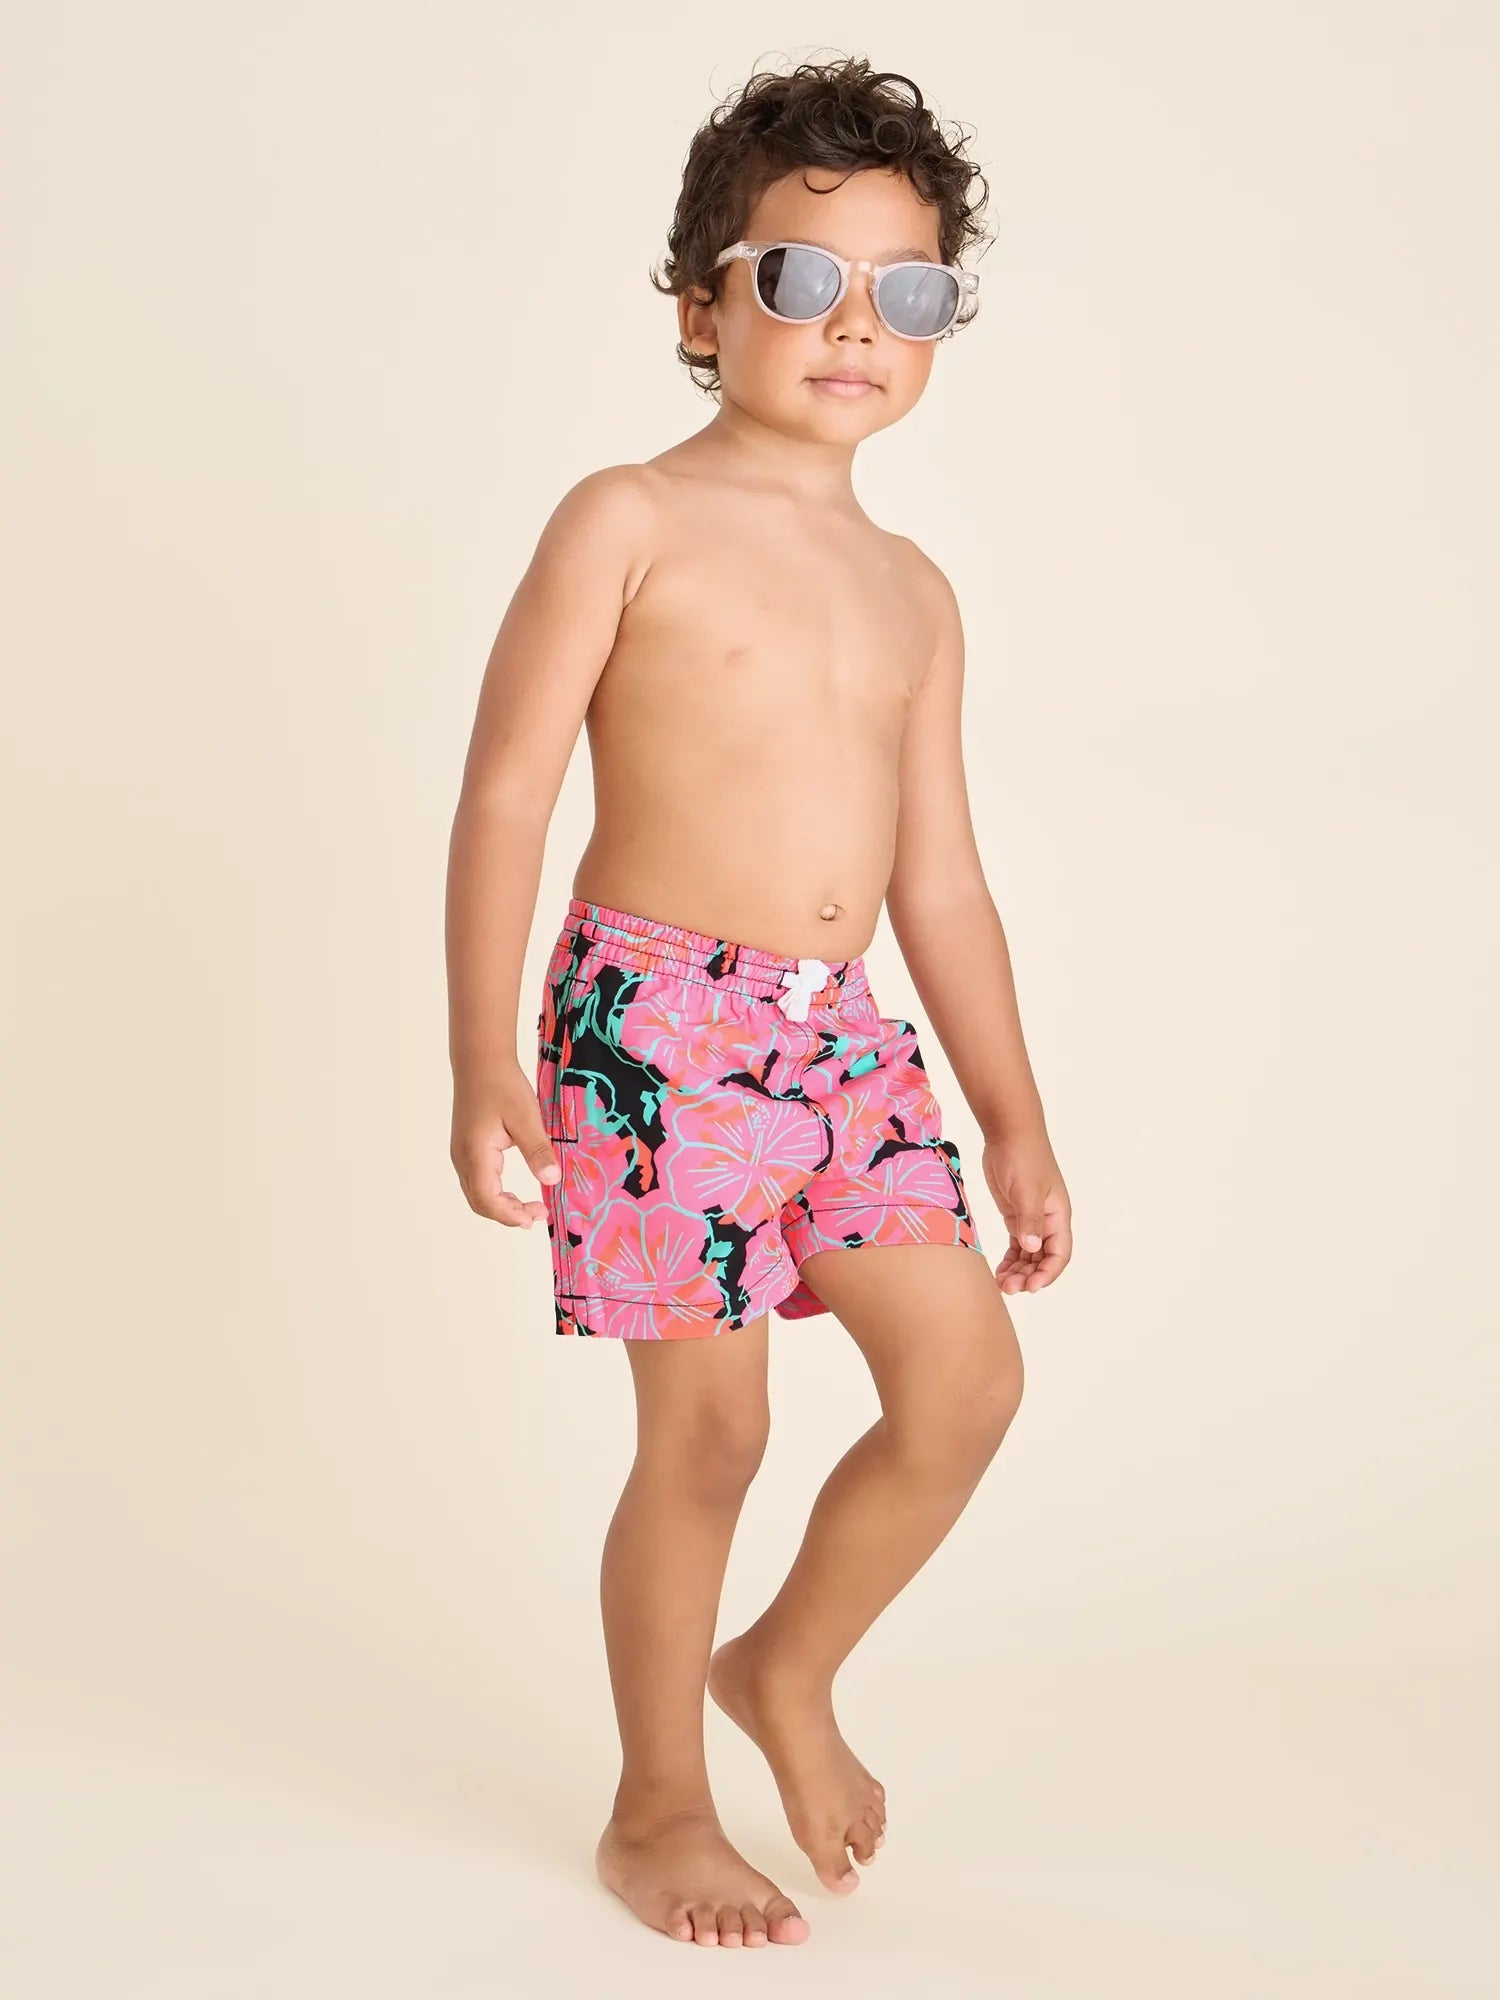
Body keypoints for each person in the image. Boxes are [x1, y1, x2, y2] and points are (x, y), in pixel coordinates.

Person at [445, 54, 1072, 1951]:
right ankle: (655, 1805)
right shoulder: (627, 516)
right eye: (804, 279)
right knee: (710, 1437)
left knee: (965, 1382)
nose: (856, 325)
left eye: (910, 289)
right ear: (704, 308)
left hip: (838, 1031)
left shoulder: (915, 592)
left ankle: (783, 1665)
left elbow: (940, 879)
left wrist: (1013, 1113)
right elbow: (506, 793)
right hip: (653, 1028)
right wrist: (480, 1051)